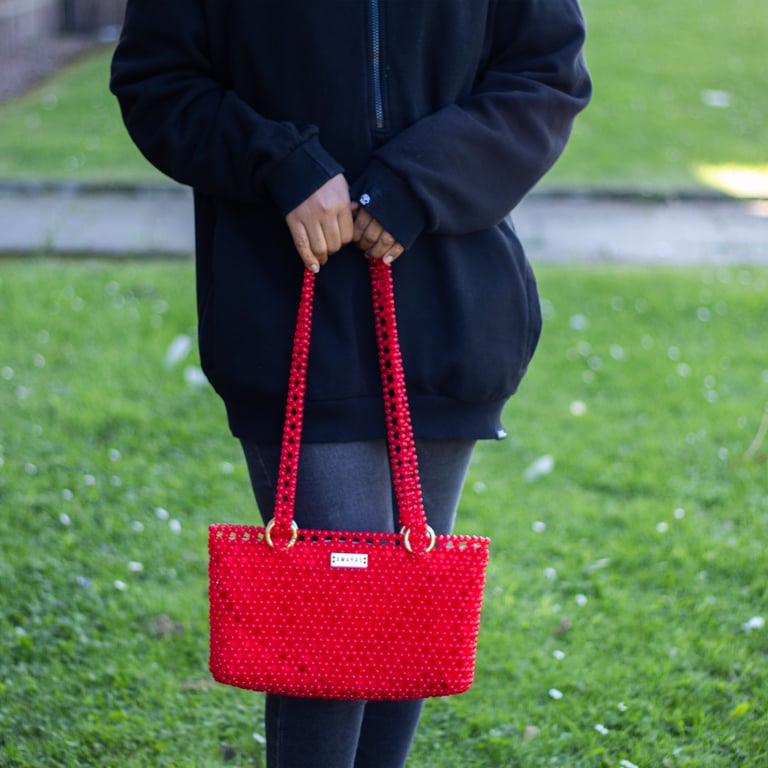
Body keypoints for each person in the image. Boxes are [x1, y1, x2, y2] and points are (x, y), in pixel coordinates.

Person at [110, 2, 590, 766]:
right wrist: (280, 164)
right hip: (283, 300)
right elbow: (157, 79)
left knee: (403, 617)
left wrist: (417, 180)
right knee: (329, 627)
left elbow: (546, 73)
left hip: (448, 309)